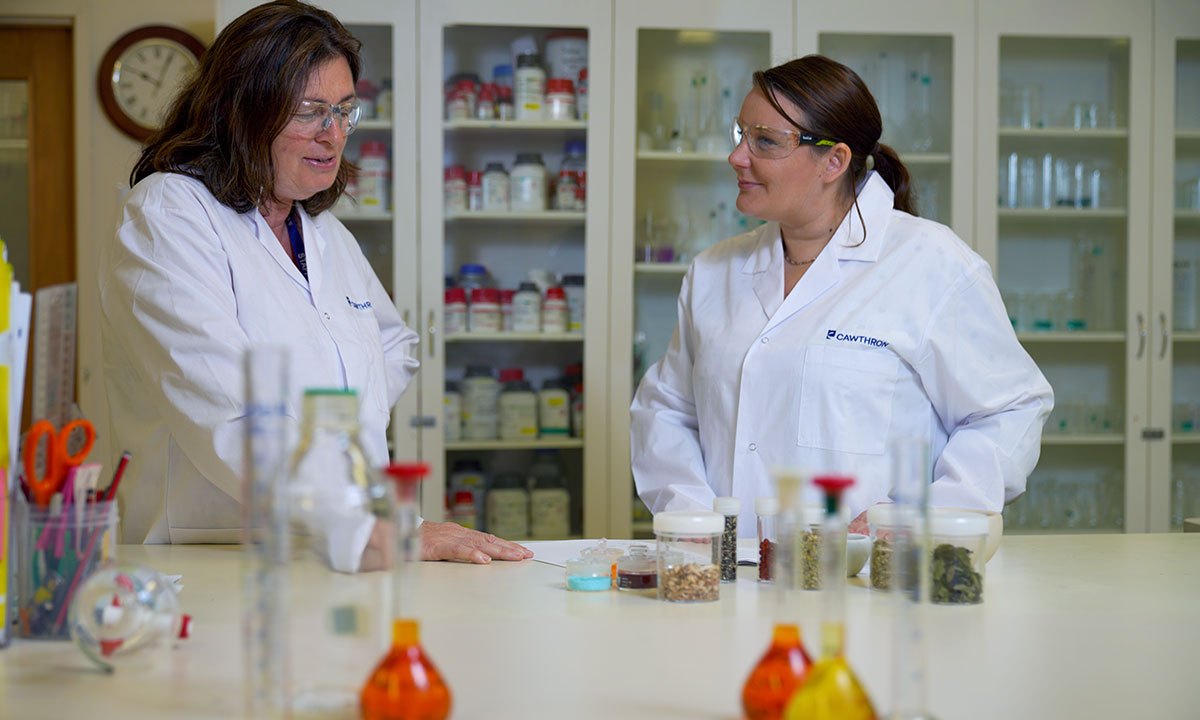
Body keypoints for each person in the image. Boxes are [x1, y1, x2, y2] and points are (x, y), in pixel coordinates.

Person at [99, 0, 531, 564]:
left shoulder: (319, 230)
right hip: (211, 556)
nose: (333, 134)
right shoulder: (168, 213)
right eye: (310, 111)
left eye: (345, 111)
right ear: (240, 111)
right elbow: (232, 417)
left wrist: (337, 437)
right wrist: (366, 518)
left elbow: (392, 345)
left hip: (332, 547)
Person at [630, 55, 1053, 536]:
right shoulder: (713, 272)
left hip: (870, 578)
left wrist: (923, 518)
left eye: (765, 141)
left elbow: (1010, 409)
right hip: (730, 576)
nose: (737, 157)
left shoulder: (930, 263)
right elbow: (665, 411)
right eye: (741, 134)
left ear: (834, 160)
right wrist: (694, 519)